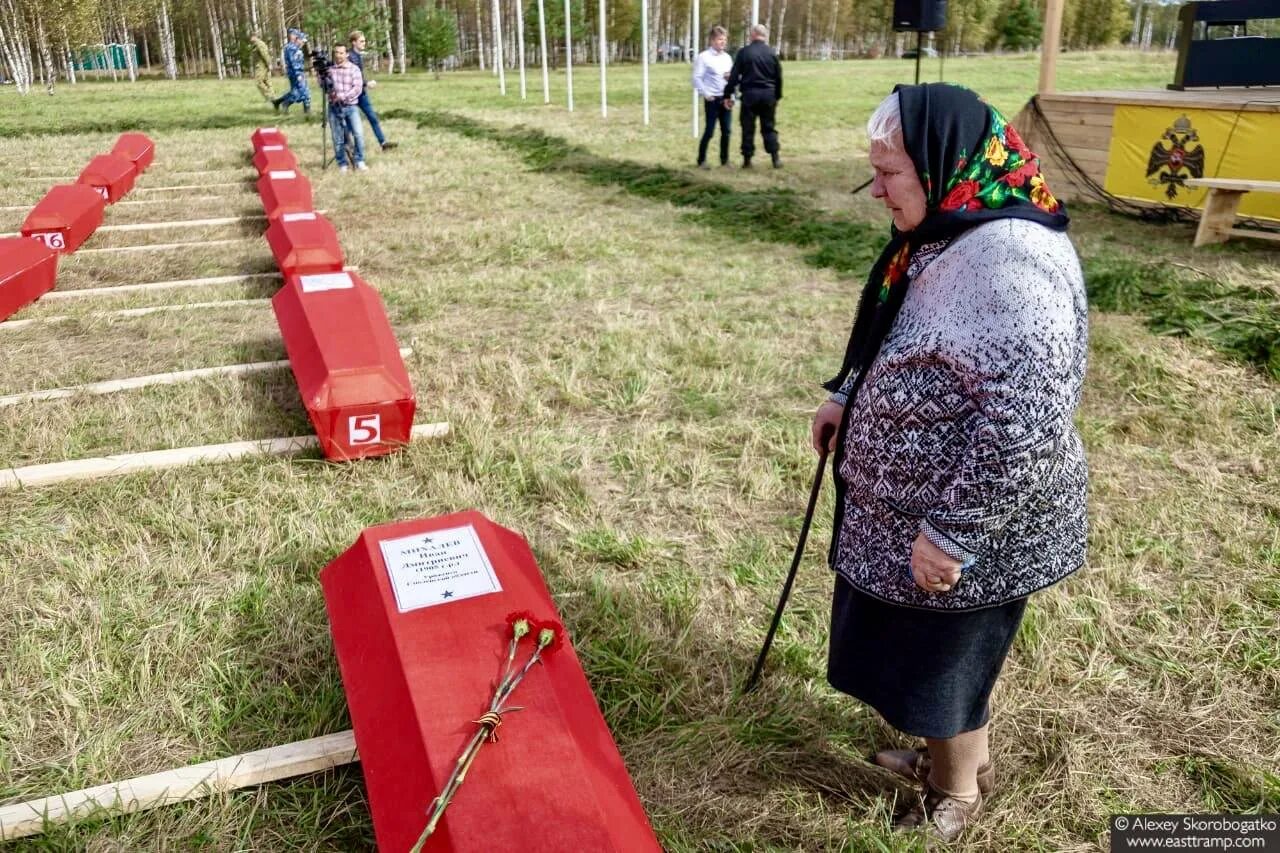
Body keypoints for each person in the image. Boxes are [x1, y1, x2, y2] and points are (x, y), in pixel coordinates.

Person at [810, 83, 1085, 842]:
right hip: (914, 520)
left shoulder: (1010, 260)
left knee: (943, 668)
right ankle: (946, 760)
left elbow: (1026, 420)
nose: (876, 190)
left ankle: (956, 790)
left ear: (940, 165)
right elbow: (901, 334)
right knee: (922, 658)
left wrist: (952, 531)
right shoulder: (954, 226)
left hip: (968, 531)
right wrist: (849, 395)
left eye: (889, 173)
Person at [723, 24, 782, 169]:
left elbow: (734, 76)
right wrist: (777, 96)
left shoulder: (744, 53)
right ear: (764, 36)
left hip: (750, 95)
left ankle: (747, 160)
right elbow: (779, 77)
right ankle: (775, 158)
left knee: (748, 128)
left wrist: (727, 93)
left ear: (753, 35)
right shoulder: (772, 53)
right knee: (768, 127)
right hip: (768, 95)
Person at [348, 31, 397, 152]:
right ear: (354, 42)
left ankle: (383, 143)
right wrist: (366, 83)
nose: (364, 43)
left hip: (361, 94)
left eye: (364, 41)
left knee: (373, 118)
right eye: (361, 41)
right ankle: (347, 145)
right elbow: (352, 77)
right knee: (350, 123)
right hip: (353, 95)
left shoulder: (358, 55)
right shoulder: (350, 57)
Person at [692, 26, 733, 169]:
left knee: (727, 130)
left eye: (725, 39)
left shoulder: (727, 58)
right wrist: (706, 94)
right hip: (712, 99)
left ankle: (725, 160)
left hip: (725, 99)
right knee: (709, 131)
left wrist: (731, 89)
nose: (723, 42)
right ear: (712, 40)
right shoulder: (704, 57)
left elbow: (731, 78)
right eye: (720, 39)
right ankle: (701, 160)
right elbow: (696, 78)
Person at [327, 43, 367, 172]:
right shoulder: (330, 70)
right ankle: (342, 163)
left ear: (346, 54)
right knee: (337, 137)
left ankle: (359, 160)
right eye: (336, 53)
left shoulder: (354, 69)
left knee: (358, 134)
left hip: (351, 106)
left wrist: (343, 97)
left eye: (341, 53)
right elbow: (325, 87)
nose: (338, 55)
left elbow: (357, 88)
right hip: (334, 108)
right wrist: (321, 77)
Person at [272, 28, 310, 116]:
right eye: (302, 41)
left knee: (302, 92)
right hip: (295, 73)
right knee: (299, 92)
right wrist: (298, 74)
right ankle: (285, 104)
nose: (303, 43)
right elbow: (294, 63)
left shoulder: (297, 48)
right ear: (297, 38)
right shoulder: (292, 48)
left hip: (299, 73)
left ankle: (279, 102)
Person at [249, 31, 274, 103]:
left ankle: (269, 96)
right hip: (262, 65)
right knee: (267, 82)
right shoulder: (256, 44)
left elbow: (265, 54)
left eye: (251, 36)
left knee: (259, 82)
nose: (250, 38)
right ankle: (272, 98)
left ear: (254, 37)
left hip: (262, 66)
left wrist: (269, 64)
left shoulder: (259, 44)